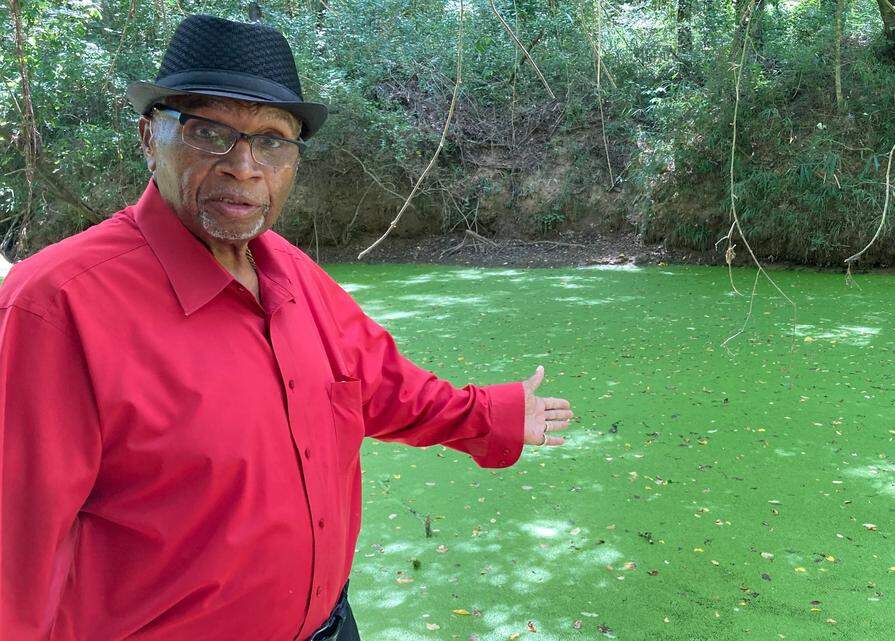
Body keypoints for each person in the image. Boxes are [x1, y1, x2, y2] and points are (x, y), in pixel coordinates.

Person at [0, 14, 573, 640]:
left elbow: (382, 386)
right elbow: (15, 551)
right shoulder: (56, 306)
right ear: (149, 137)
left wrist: (491, 415)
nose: (244, 166)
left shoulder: (293, 273)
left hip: (331, 624)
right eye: (208, 132)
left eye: (272, 140)